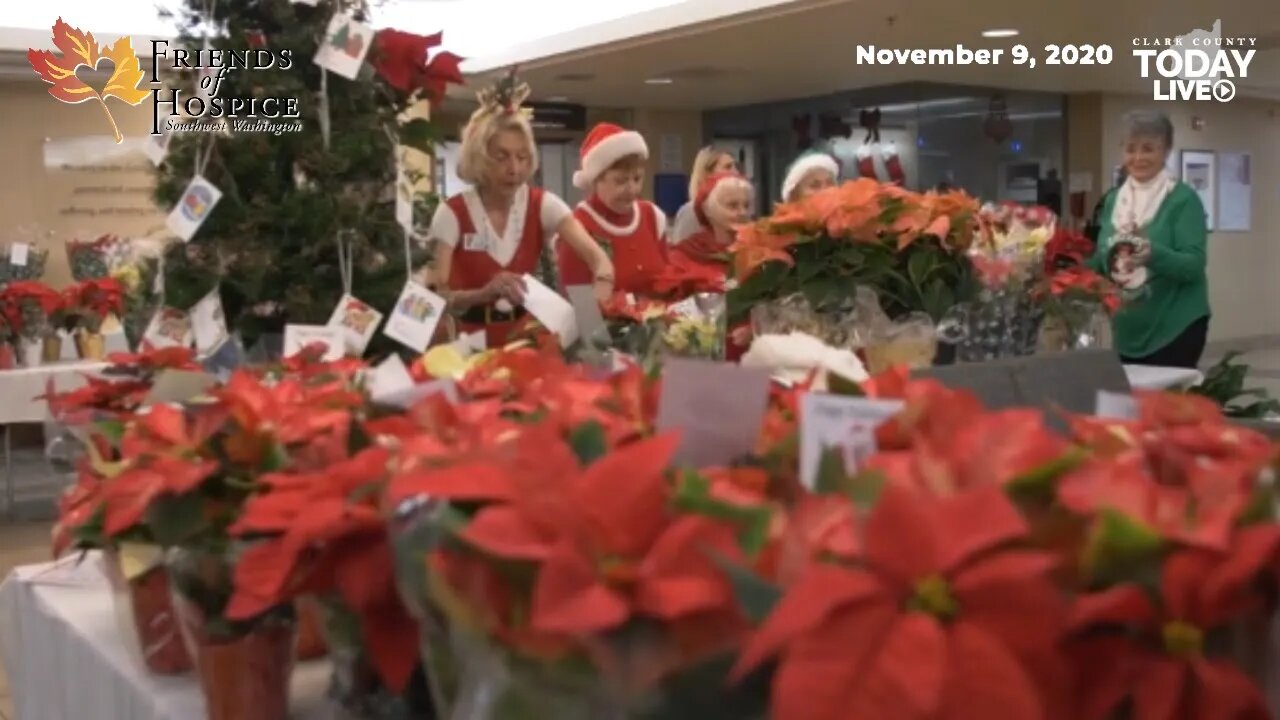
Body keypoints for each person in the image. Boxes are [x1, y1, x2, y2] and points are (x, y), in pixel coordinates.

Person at [426, 73, 614, 348]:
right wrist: (482, 294)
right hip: (467, 346)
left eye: (521, 157)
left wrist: (601, 289)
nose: (514, 169)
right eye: (501, 157)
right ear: (479, 158)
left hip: (526, 340)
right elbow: (432, 296)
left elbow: (600, 262)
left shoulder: (543, 205)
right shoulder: (451, 213)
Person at [1087, 109, 1209, 369]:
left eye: (1148, 148)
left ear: (1166, 151)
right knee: (1129, 406)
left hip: (1175, 326)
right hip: (1126, 328)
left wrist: (1153, 253)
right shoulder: (1113, 200)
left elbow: (1193, 265)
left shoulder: (1182, 199)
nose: (1138, 157)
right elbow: (1103, 258)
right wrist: (1063, 270)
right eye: (1131, 149)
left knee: (1163, 408)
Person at [558, 122, 670, 296]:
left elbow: (668, 283)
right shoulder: (577, 227)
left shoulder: (652, 217)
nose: (632, 189)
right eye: (620, 181)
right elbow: (580, 307)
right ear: (596, 180)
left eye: (637, 179)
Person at [670, 171, 754, 279]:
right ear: (707, 209)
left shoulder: (763, 247)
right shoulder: (686, 253)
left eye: (746, 206)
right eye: (732, 205)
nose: (743, 212)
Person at [670, 146, 739, 243]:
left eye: (735, 167)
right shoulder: (691, 211)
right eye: (728, 167)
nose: (736, 172)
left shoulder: (738, 210)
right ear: (707, 174)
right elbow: (680, 252)